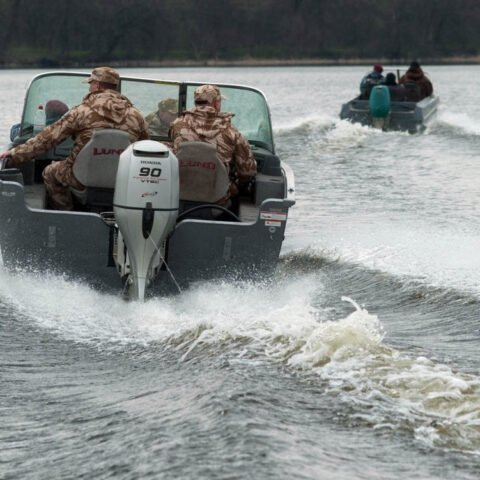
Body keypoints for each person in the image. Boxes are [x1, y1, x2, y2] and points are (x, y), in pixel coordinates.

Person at [0, 66, 149, 210]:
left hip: (80, 179)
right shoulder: (136, 115)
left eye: (90, 84)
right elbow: (146, 147)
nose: (89, 88)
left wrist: (14, 154)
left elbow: (46, 140)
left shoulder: (81, 112)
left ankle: (67, 216)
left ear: (96, 85)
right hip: (123, 181)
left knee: (49, 173)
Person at [169, 84, 257, 204]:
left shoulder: (177, 125)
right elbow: (248, 172)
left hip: (178, 196)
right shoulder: (231, 131)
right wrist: (237, 184)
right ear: (216, 103)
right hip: (217, 201)